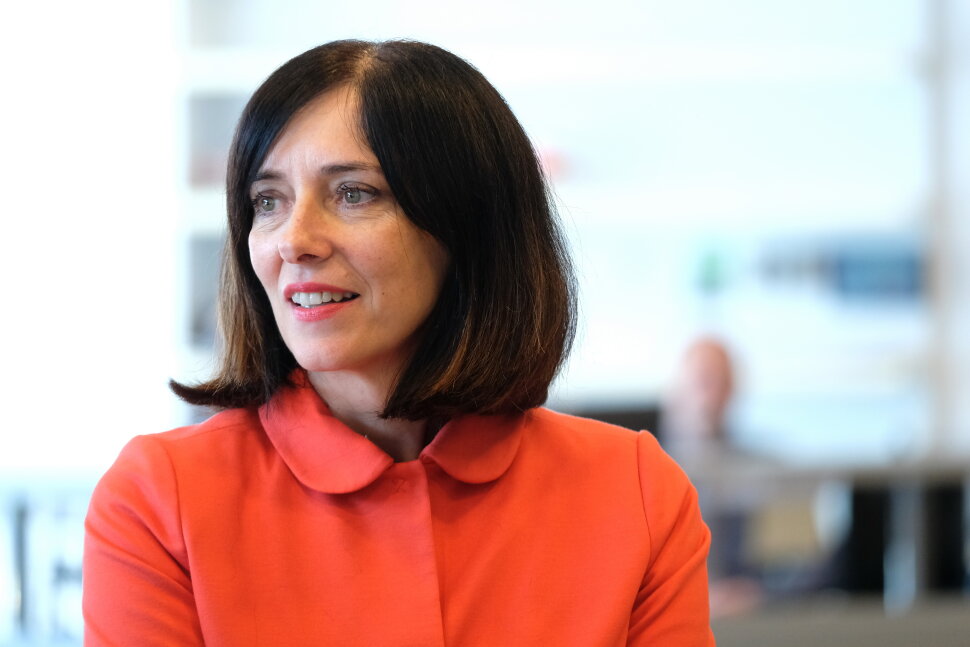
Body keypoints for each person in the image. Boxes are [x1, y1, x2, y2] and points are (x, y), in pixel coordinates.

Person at [82, 40, 713, 646]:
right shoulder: (161, 500)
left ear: (468, 226)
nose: (293, 240)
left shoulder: (634, 493)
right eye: (268, 201)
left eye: (353, 193)